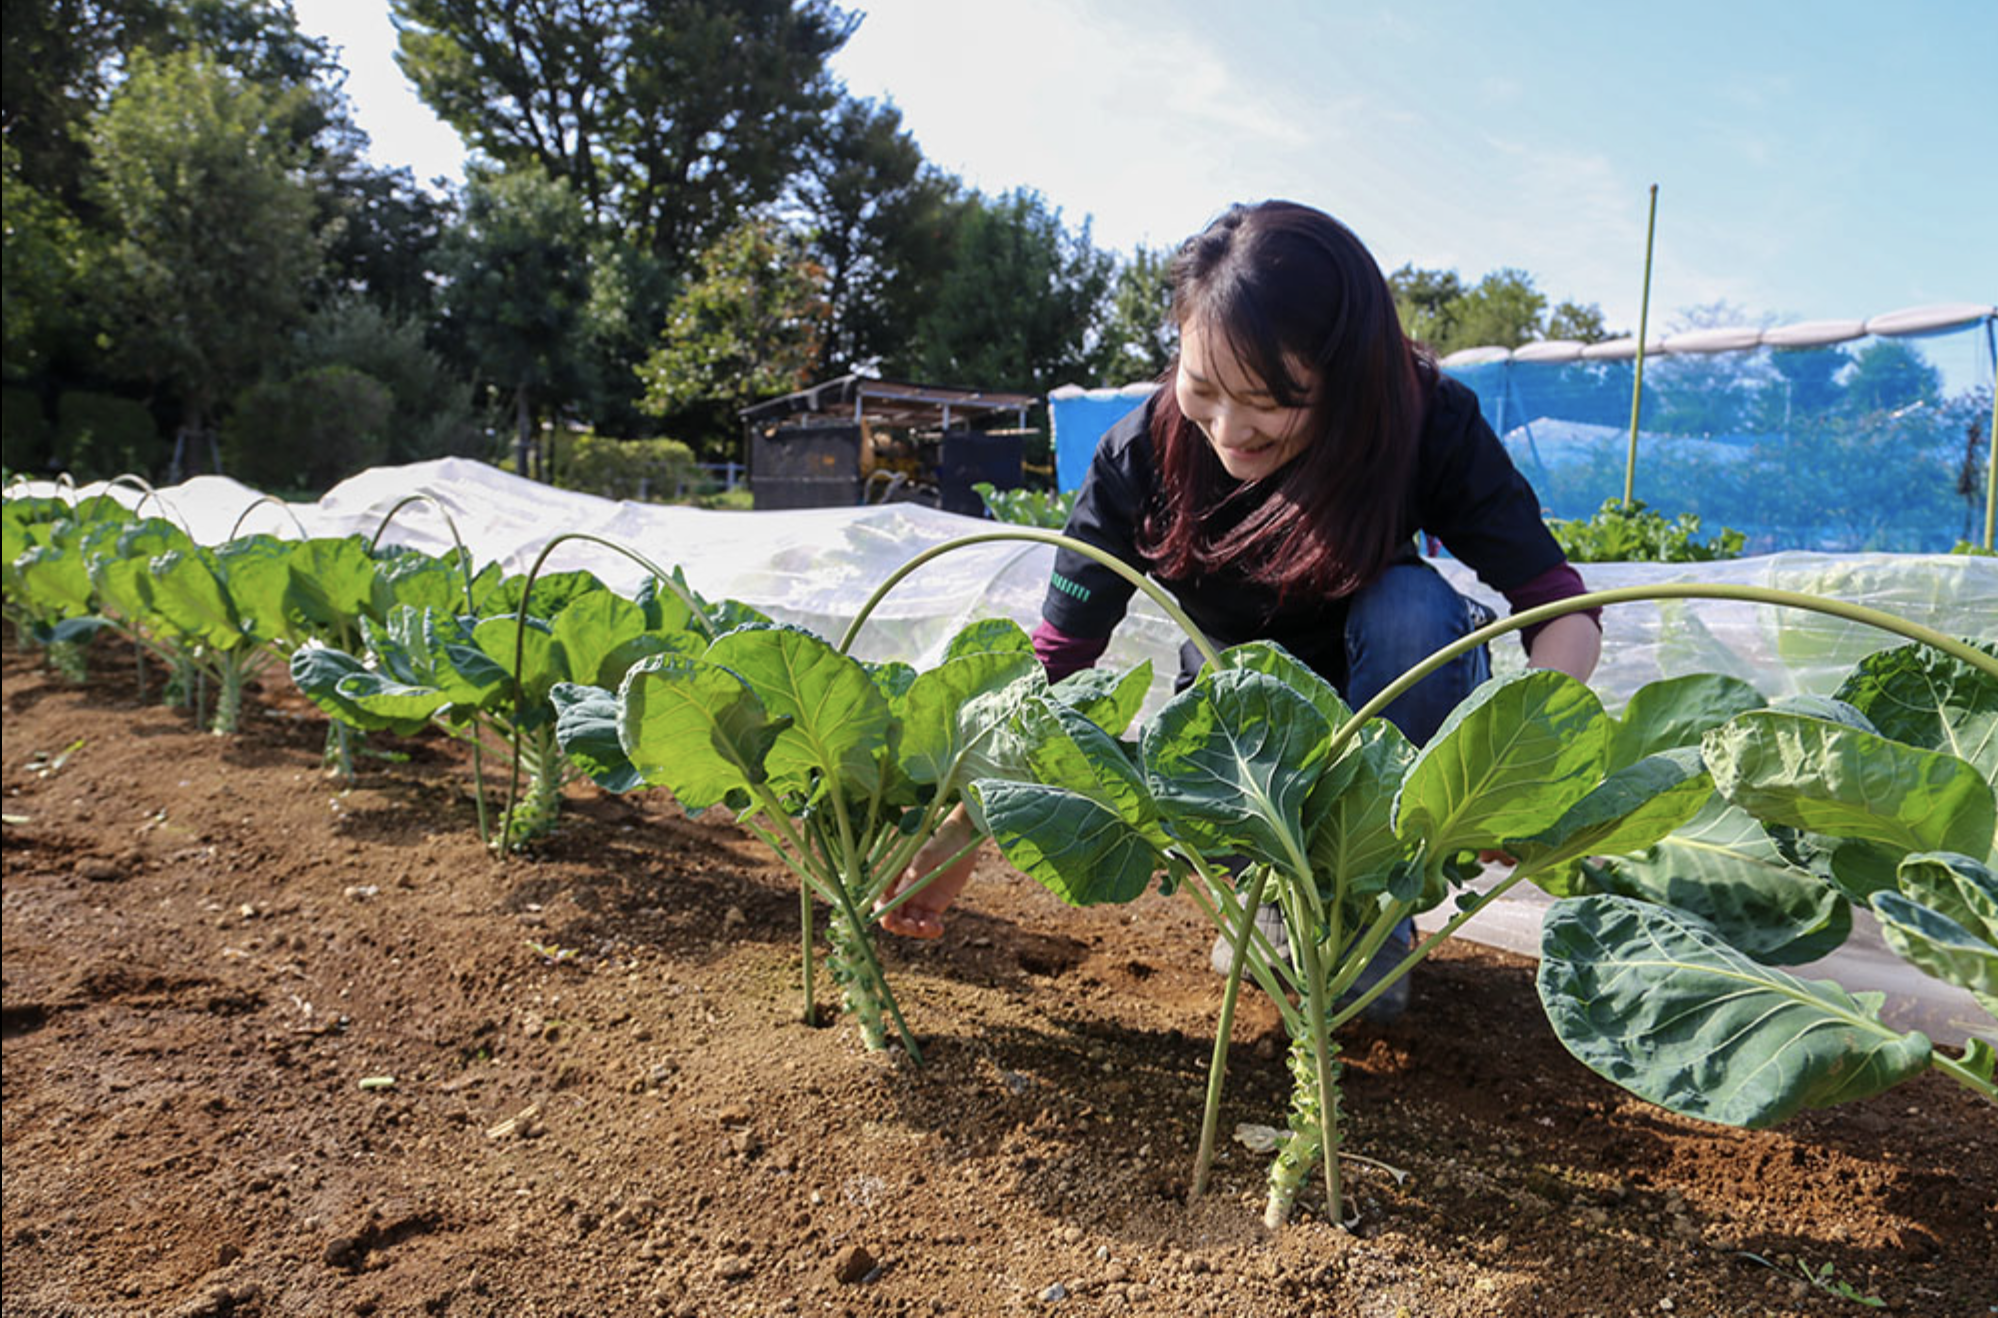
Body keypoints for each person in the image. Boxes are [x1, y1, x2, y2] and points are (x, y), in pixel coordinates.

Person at [877, 200, 1602, 1021]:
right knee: (1220, 755)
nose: (1229, 428)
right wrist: (963, 831)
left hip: (1391, 715)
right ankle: (1262, 888)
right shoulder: (1138, 455)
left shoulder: (1423, 421)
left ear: (1350, 378)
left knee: (1410, 608)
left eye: (1270, 400)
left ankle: (1367, 901)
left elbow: (1555, 604)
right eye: (1204, 388)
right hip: (1235, 736)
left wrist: (1525, 762)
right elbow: (1057, 662)